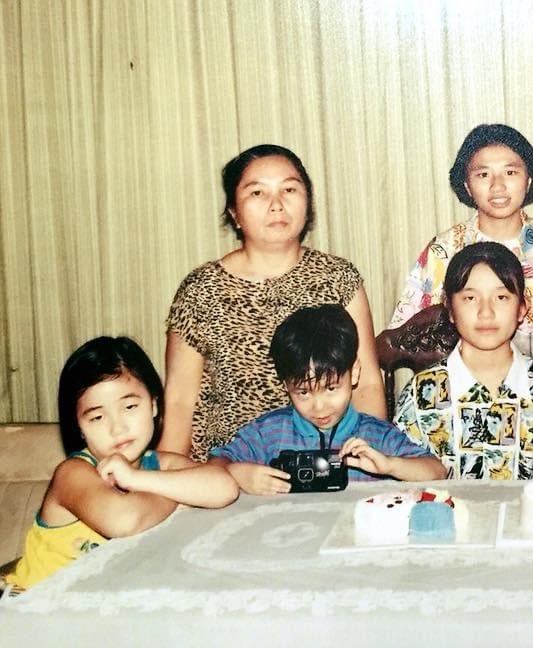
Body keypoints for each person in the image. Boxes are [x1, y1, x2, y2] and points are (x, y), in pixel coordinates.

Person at [161, 144, 387, 462]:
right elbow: (180, 399)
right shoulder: (201, 290)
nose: (277, 205)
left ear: (307, 204)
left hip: (321, 463)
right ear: (234, 212)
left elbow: (367, 384)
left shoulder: (338, 278)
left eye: (289, 190)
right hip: (226, 470)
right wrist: (167, 472)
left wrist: (366, 463)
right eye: (257, 193)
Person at [2, 337, 238, 593]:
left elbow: (225, 487)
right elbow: (125, 521)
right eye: (97, 417)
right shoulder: (73, 473)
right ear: (79, 428)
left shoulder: (161, 462)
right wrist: (180, 493)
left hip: (97, 603)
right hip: (28, 602)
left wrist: (136, 479)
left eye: (129, 406)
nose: (117, 428)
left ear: (154, 404)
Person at [390, 124, 533, 388]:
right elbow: (409, 335)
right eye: (483, 174)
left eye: (510, 172)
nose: (498, 186)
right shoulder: (443, 251)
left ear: (529, 180)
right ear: (467, 185)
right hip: (465, 396)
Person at [209, 305, 445, 494]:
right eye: (303, 393)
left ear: (354, 373)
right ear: (286, 386)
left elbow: (437, 472)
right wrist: (238, 473)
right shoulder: (268, 432)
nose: (319, 407)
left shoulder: (376, 435)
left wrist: (389, 465)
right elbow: (214, 467)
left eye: (331, 388)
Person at [395, 242, 533, 480]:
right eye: (470, 298)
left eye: (501, 297)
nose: (486, 312)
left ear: (522, 308)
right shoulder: (419, 396)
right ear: (450, 308)